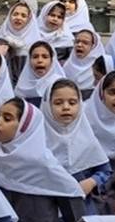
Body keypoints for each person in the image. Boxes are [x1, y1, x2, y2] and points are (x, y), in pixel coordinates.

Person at [43, 79, 110, 214]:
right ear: (47, 106)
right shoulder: (39, 140)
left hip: (84, 207)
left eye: (72, 102)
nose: (66, 107)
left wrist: (91, 181)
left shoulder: (87, 139)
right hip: (49, 209)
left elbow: (105, 171)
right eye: (58, 103)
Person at [15, 41, 64, 107]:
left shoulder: (59, 83)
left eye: (45, 57)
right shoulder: (23, 84)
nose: (40, 60)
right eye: (35, 57)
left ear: (52, 60)